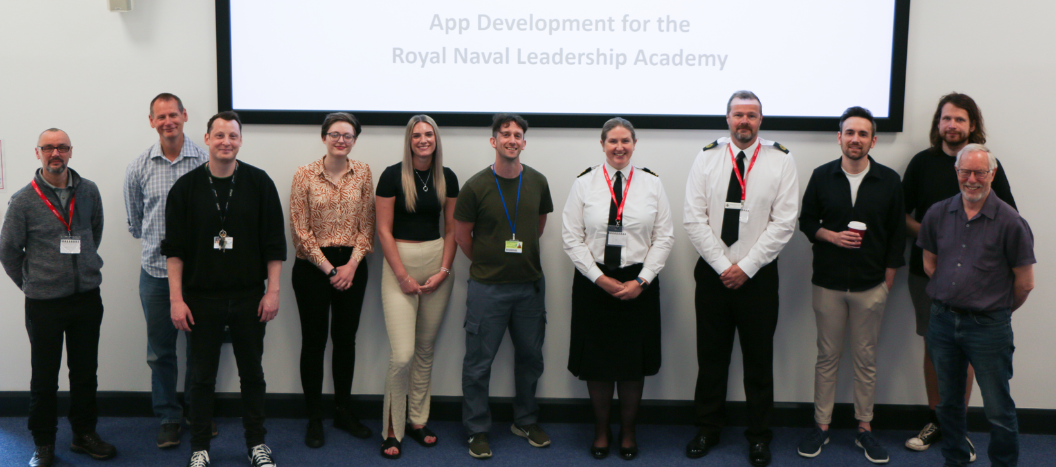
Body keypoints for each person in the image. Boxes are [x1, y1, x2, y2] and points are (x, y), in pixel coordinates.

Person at [162, 111, 286, 467]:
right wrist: (176, 300)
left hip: (250, 296)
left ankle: (257, 444)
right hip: (201, 298)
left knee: (253, 375)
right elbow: (174, 251)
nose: (226, 142)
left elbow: (274, 245)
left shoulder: (259, 183)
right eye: (219, 136)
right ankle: (200, 447)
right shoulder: (185, 188)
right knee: (201, 377)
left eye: (232, 136)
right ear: (207, 139)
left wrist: (272, 291)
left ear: (241, 140)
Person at [682, 91, 799, 467]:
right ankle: (707, 428)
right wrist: (722, 265)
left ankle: (760, 436)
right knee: (711, 357)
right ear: (727, 119)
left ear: (760, 120)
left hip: (759, 278)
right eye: (738, 115)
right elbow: (693, 218)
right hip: (713, 275)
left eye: (751, 115)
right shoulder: (707, 156)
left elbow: (784, 223)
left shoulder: (781, 159)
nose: (744, 121)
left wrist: (746, 267)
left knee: (758, 360)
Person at [902, 93, 1016, 457]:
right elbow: (901, 215)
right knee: (934, 347)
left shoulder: (988, 164)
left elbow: (1009, 216)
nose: (952, 125)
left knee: (965, 350)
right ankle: (938, 418)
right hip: (927, 273)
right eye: (946, 119)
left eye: (960, 120)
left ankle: (958, 424)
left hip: (978, 278)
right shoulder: (921, 163)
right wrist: (936, 237)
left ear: (972, 125)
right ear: (938, 124)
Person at [796, 107, 905, 463]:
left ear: (873, 140)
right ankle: (822, 426)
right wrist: (829, 235)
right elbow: (807, 220)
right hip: (827, 284)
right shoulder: (822, 175)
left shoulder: (889, 180)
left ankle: (864, 429)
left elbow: (896, 235)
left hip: (871, 286)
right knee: (827, 358)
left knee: (865, 360)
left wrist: (887, 281)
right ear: (839, 137)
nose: (855, 139)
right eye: (849, 132)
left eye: (862, 134)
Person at [1, 128, 116, 467]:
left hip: (85, 299)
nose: (56, 153)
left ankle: (83, 434)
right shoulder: (23, 200)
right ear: (37, 153)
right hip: (44, 303)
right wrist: (32, 283)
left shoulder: (89, 191)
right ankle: (44, 443)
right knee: (44, 376)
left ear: (70, 152)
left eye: (62, 147)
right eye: (49, 147)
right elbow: (8, 250)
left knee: (85, 373)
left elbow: (94, 233)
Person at [561, 117, 674, 460]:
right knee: (596, 363)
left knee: (630, 363)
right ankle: (600, 430)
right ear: (602, 144)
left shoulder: (652, 184)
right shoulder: (584, 183)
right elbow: (571, 237)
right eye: (613, 141)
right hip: (594, 282)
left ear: (634, 144)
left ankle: (627, 430)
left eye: (626, 140)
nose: (619, 147)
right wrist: (600, 278)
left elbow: (664, 237)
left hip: (638, 282)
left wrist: (642, 280)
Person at [917, 144, 1034, 467]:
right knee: (949, 405)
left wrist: (995, 310)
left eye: (979, 172)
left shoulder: (1011, 223)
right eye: (964, 172)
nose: (971, 179)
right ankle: (954, 459)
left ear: (992, 175)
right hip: (942, 322)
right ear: (956, 173)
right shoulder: (938, 213)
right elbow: (930, 263)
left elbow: (1024, 283)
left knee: (998, 408)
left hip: (988, 327)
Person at [454, 113, 554, 459]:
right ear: (494, 141)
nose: (512, 139)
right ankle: (477, 429)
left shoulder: (538, 181)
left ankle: (524, 420)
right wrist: (488, 260)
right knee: (479, 363)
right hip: (488, 289)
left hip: (529, 288)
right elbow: (461, 236)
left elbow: (538, 226)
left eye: (518, 135)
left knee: (530, 359)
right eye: (505, 134)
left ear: (524, 143)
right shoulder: (475, 186)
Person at [123, 93, 210, 448]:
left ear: (185, 116)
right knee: (160, 351)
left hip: (200, 275)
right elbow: (136, 222)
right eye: (161, 117)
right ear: (151, 121)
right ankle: (169, 417)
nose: (168, 121)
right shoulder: (139, 166)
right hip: (156, 275)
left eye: (173, 114)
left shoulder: (206, 160)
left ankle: (197, 413)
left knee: (200, 349)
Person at [289, 112, 376, 447]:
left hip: (353, 264)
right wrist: (330, 269)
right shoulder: (304, 175)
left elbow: (368, 225)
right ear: (324, 136)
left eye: (348, 136)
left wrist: (351, 265)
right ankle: (314, 417)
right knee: (313, 342)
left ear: (354, 140)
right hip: (313, 267)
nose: (342, 140)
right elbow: (300, 231)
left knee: (346, 340)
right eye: (335, 134)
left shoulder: (364, 173)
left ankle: (343, 410)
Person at [375, 115, 459, 459]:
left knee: (425, 350)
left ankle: (417, 420)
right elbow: (383, 230)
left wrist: (443, 271)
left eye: (429, 134)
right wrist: (402, 275)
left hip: (436, 262)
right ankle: (392, 428)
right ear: (409, 141)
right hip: (400, 263)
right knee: (403, 354)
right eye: (417, 135)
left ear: (436, 139)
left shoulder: (447, 176)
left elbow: (453, 229)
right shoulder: (392, 175)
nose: (423, 140)